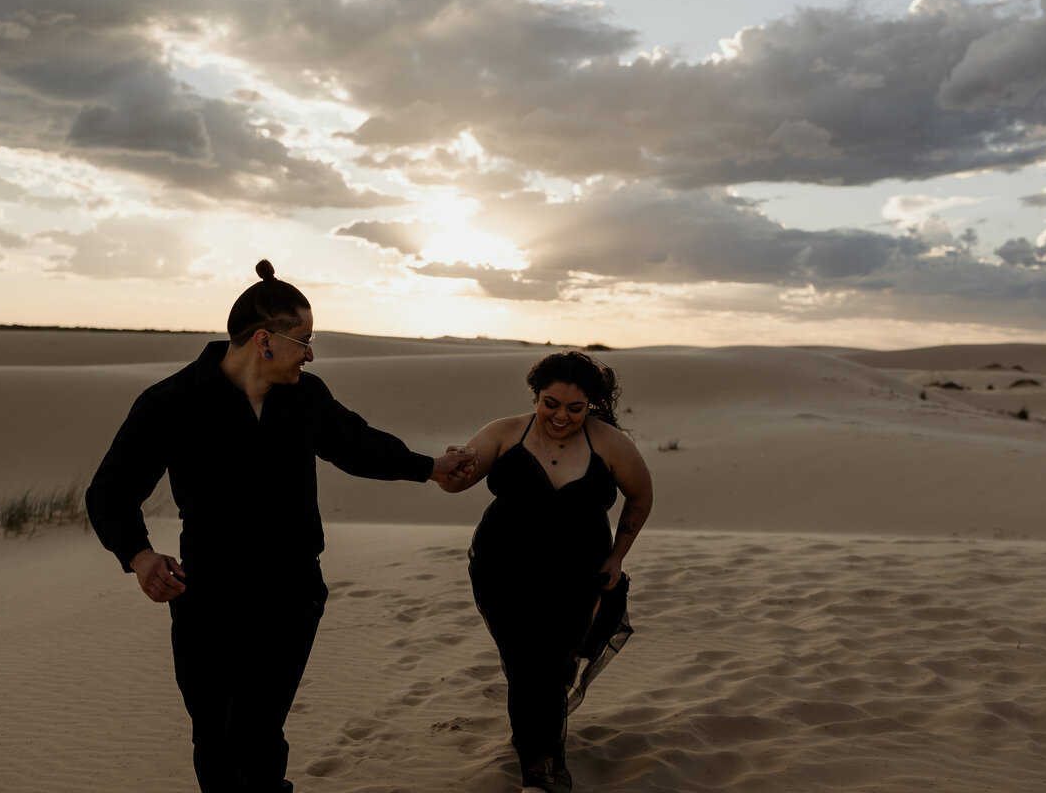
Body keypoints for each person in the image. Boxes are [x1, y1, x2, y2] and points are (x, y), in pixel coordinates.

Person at [85, 259, 475, 793]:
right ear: (264, 340)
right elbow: (110, 493)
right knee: (213, 738)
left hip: (291, 592)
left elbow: (357, 445)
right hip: (207, 596)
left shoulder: (306, 396)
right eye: (305, 339)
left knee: (253, 733)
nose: (311, 353)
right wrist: (140, 557)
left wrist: (429, 467)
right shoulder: (171, 402)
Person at [439, 351, 653, 793]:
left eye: (575, 408)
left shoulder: (609, 443)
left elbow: (640, 498)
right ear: (536, 395)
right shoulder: (504, 432)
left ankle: (536, 745)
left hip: (575, 578)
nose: (561, 416)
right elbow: (455, 481)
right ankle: (539, 771)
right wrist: (452, 467)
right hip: (503, 572)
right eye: (550, 404)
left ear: (590, 404)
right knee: (527, 665)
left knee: (552, 664)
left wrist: (617, 557)